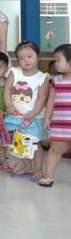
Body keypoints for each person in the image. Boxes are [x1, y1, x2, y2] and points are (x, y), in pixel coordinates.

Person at [4, 41, 49, 181]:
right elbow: (7, 90)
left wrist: (34, 113)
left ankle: (38, 169)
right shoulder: (15, 72)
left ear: (38, 57)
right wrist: (9, 106)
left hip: (34, 117)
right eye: (21, 58)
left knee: (35, 144)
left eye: (29, 56)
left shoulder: (42, 77)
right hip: (17, 116)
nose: (26, 60)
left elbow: (42, 98)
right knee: (20, 142)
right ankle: (28, 167)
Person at [42, 44, 71, 187]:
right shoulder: (56, 81)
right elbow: (51, 100)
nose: (55, 63)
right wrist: (47, 117)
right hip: (60, 123)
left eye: (59, 60)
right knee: (55, 149)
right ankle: (48, 175)